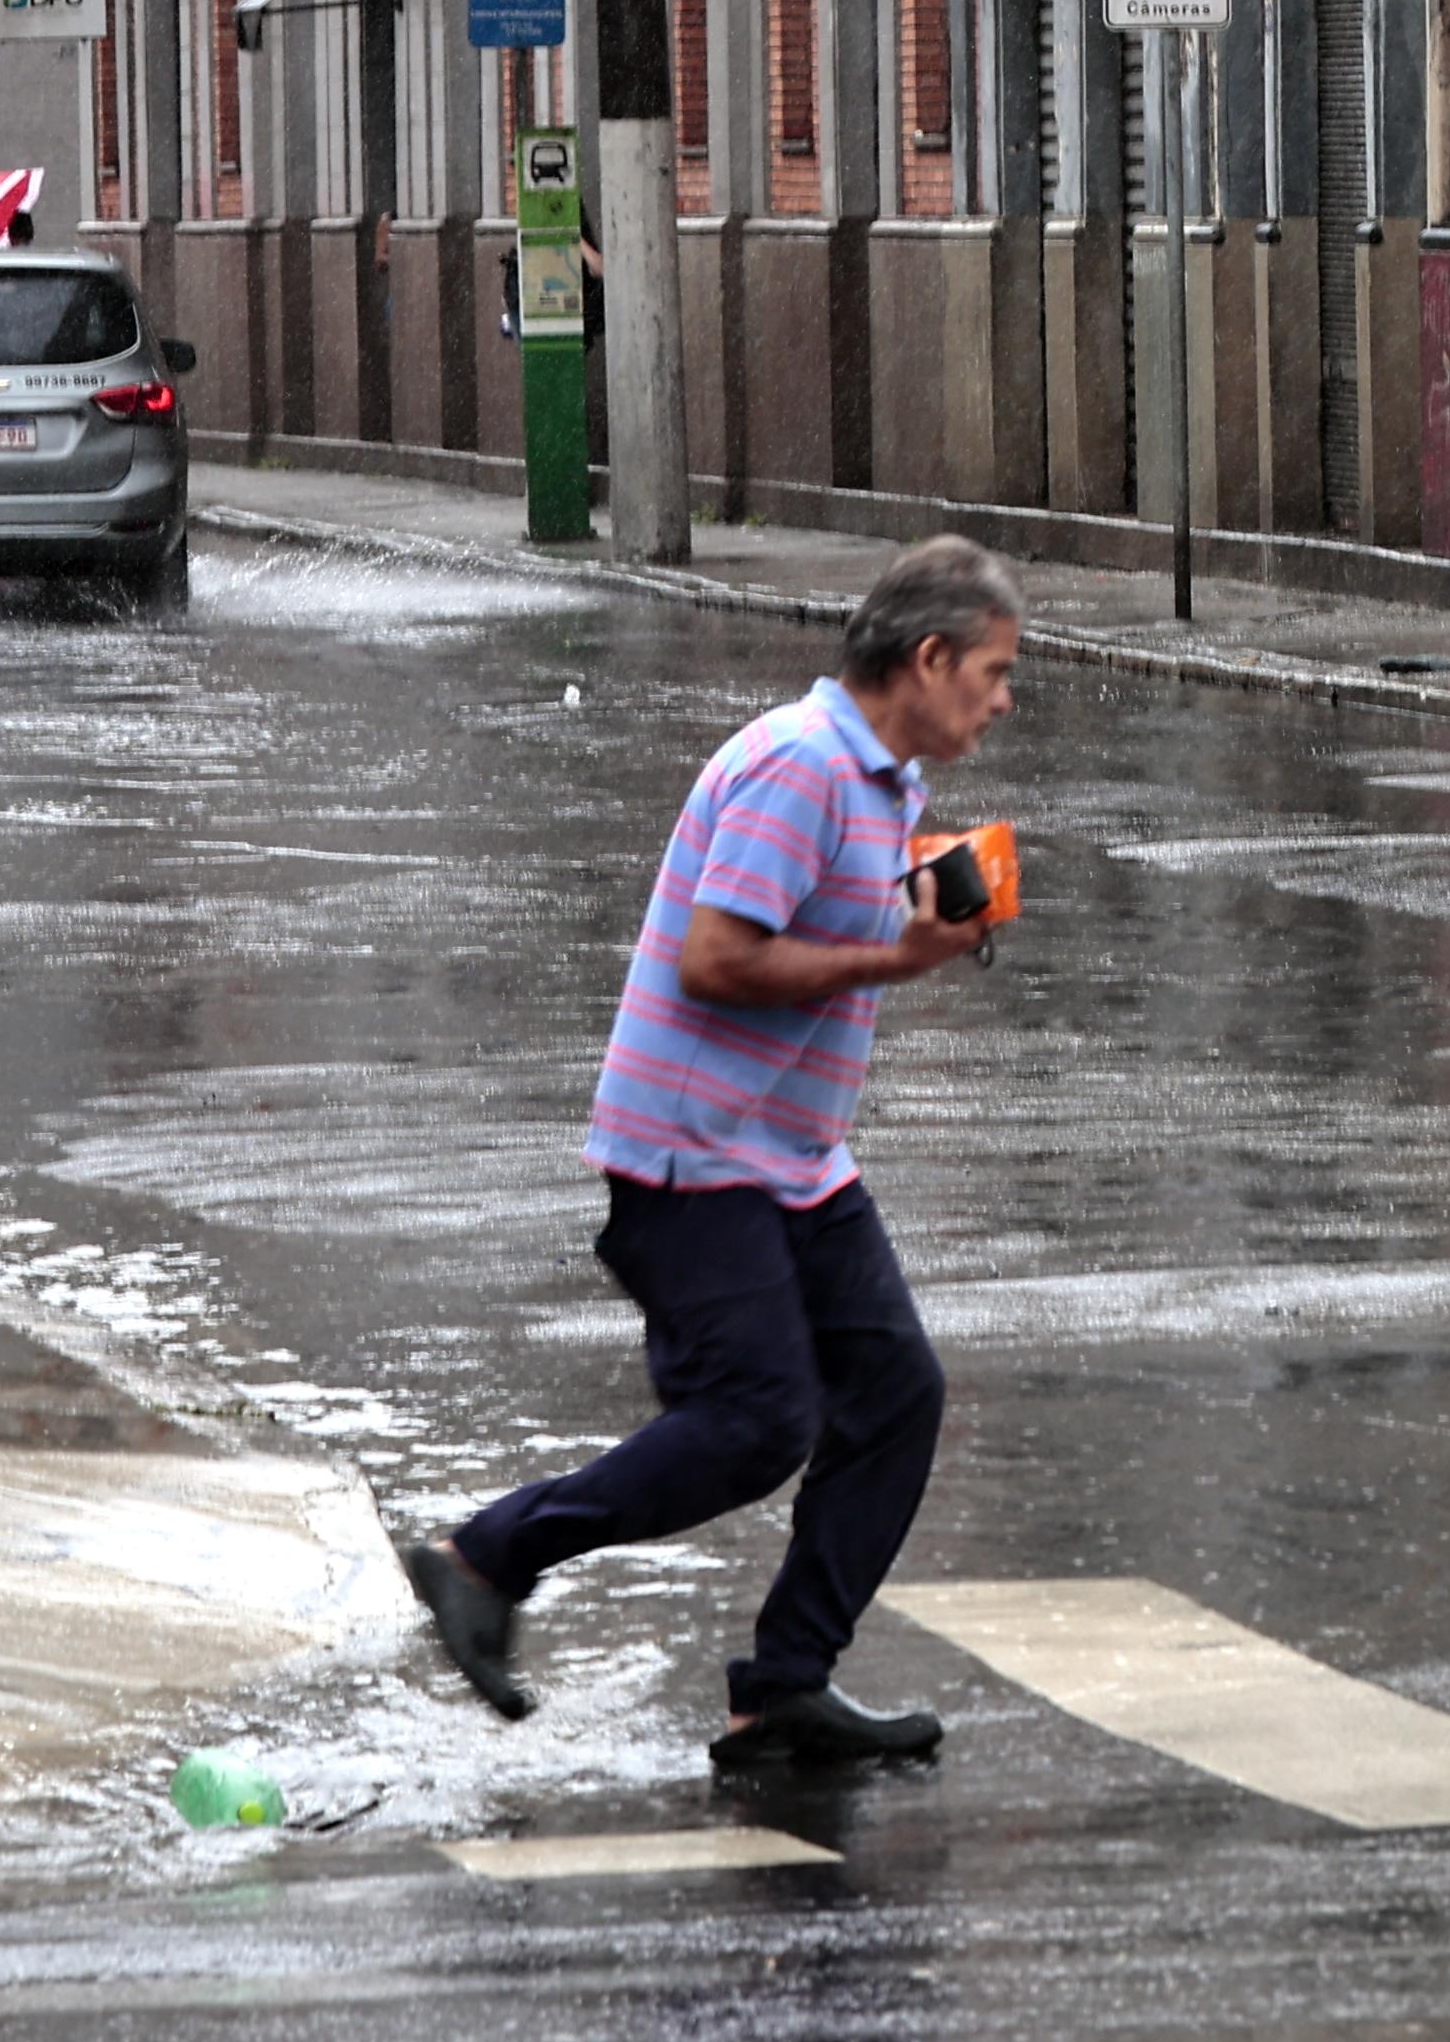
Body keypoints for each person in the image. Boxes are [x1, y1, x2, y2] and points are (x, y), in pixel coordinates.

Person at [403, 535, 1022, 1767]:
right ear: (929, 655)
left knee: (896, 1394)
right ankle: (484, 1556)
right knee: (755, 1419)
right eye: (994, 672)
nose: (1002, 700)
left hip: (793, 1154)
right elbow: (717, 958)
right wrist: (892, 959)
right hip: (692, 1153)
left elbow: (822, 902)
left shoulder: (879, 780)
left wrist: (932, 901)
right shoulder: (799, 766)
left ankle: (785, 1685)